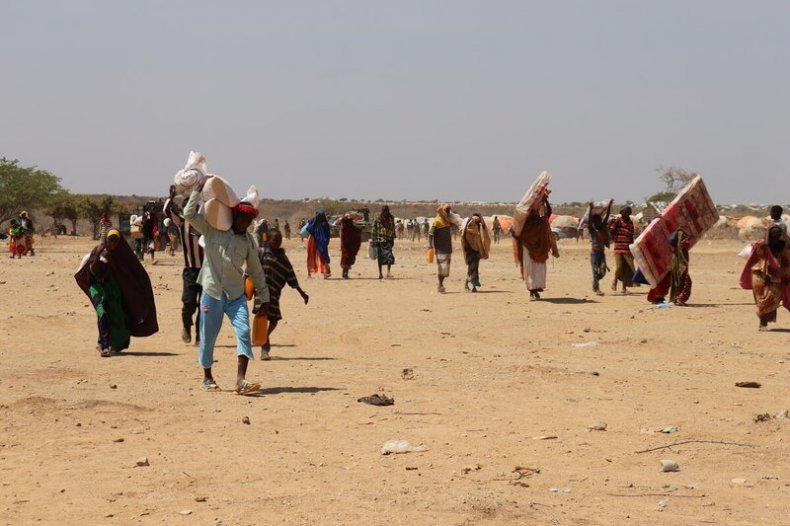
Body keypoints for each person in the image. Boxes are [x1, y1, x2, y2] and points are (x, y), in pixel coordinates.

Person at [184, 178, 270, 394]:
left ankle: (241, 380)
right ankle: (207, 376)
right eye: (242, 217)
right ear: (234, 215)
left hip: (235, 295)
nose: (245, 222)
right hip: (211, 293)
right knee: (208, 336)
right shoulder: (213, 230)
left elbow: (256, 271)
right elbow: (189, 215)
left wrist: (265, 298)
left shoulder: (248, 242)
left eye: (249, 219)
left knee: (243, 330)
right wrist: (196, 190)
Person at [74, 229, 159, 357]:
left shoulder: (122, 255)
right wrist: (97, 260)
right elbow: (86, 271)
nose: (113, 243)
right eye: (111, 240)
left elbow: (134, 273)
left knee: (117, 315)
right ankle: (104, 346)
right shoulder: (97, 252)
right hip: (97, 287)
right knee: (102, 312)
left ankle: (106, 341)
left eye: (115, 240)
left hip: (113, 288)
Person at [257, 229, 309, 360]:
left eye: (279, 240)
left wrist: (302, 293)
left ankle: (265, 336)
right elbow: (252, 269)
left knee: (274, 320)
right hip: (261, 292)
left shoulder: (282, 257)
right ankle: (264, 349)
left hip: (275, 293)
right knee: (262, 319)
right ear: (268, 240)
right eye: (275, 240)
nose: (278, 242)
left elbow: (290, 275)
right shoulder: (262, 253)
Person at [164, 185, 205, 345]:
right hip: (190, 271)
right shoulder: (182, 223)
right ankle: (186, 326)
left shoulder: (207, 223)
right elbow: (167, 210)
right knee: (188, 304)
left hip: (206, 271)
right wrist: (172, 196)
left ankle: (199, 337)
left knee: (204, 305)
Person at [740, 226, 790, 331]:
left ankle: (762, 316)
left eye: (778, 235)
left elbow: (787, 262)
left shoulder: (785, 246)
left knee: (773, 297)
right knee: (760, 298)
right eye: (774, 236)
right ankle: (762, 323)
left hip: (775, 276)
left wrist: (785, 276)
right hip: (759, 274)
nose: (776, 238)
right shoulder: (761, 245)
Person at [513, 195, 559, 300]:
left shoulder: (541, 220)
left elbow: (549, 212)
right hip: (527, 247)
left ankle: (536, 288)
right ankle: (531, 290)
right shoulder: (525, 222)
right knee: (529, 267)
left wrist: (545, 200)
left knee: (539, 268)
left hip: (540, 248)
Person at [647, 229, 693, 305]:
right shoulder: (681, 246)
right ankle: (679, 299)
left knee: (677, 283)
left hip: (675, 266)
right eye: (683, 237)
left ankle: (676, 298)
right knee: (685, 282)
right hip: (680, 267)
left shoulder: (675, 248)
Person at [428, 204, 458, 292]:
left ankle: (440, 283)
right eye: (447, 212)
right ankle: (440, 285)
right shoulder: (436, 221)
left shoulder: (447, 221)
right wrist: (430, 245)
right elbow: (430, 235)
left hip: (448, 248)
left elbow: (455, 224)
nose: (448, 213)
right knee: (442, 268)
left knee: (445, 270)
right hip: (440, 248)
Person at [587, 200, 613, 296]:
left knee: (602, 272)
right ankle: (597, 288)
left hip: (601, 253)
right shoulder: (592, 229)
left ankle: (595, 282)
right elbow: (589, 220)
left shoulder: (602, 227)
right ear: (594, 222)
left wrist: (609, 205)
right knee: (595, 271)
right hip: (594, 253)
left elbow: (607, 216)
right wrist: (591, 208)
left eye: (599, 220)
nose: (598, 222)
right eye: (596, 220)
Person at [460, 213, 491, 292]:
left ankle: (472, 286)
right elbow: (466, 243)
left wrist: (480, 216)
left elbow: (484, 228)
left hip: (476, 252)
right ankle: (468, 285)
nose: (478, 223)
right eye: (476, 222)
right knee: (471, 269)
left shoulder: (477, 229)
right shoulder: (468, 231)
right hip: (471, 253)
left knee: (473, 270)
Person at [609, 205, 636, 294]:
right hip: (618, 247)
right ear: (621, 213)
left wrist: (632, 247)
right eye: (624, 212)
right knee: (619, 267)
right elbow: (611, 232)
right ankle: (615, 281)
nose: (626, 214)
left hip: (627, 248)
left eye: (628, 212)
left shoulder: (630, 222)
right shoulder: (617, 221)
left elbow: (631, 235)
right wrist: (616, 225)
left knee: (627, 268)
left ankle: (624, 288)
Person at [371, 205, 396, 279]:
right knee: (380, 257)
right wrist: (373, 240)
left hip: (388, 240)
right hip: (379, 240)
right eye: (384, 211)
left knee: (389, 256)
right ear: (382, 211)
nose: (385, 213)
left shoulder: (391, 218)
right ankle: (380, 273)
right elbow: (373, 229)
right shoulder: (377, 219)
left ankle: (388, 272)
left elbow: (393, 229)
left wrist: (393, 239)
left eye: (386, 211)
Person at [305, 209, 332, 278]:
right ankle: (326, 272)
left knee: (311, 255)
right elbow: (328, 234)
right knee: (322, 256)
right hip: (321, 242)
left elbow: (308, 229)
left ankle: (310, 273)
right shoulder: (324, 223)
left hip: (313, 240)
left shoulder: (313, 221)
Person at [337, 212, 362, 279]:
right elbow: (339, 221)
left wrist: (353, 216)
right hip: (345, 244)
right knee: (346, 258)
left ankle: (345, 273)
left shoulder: (350, 225)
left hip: (350, 245)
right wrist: (346, 216)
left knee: (348, 258)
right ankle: (344, 273)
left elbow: (359, 218)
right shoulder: (344, 224)